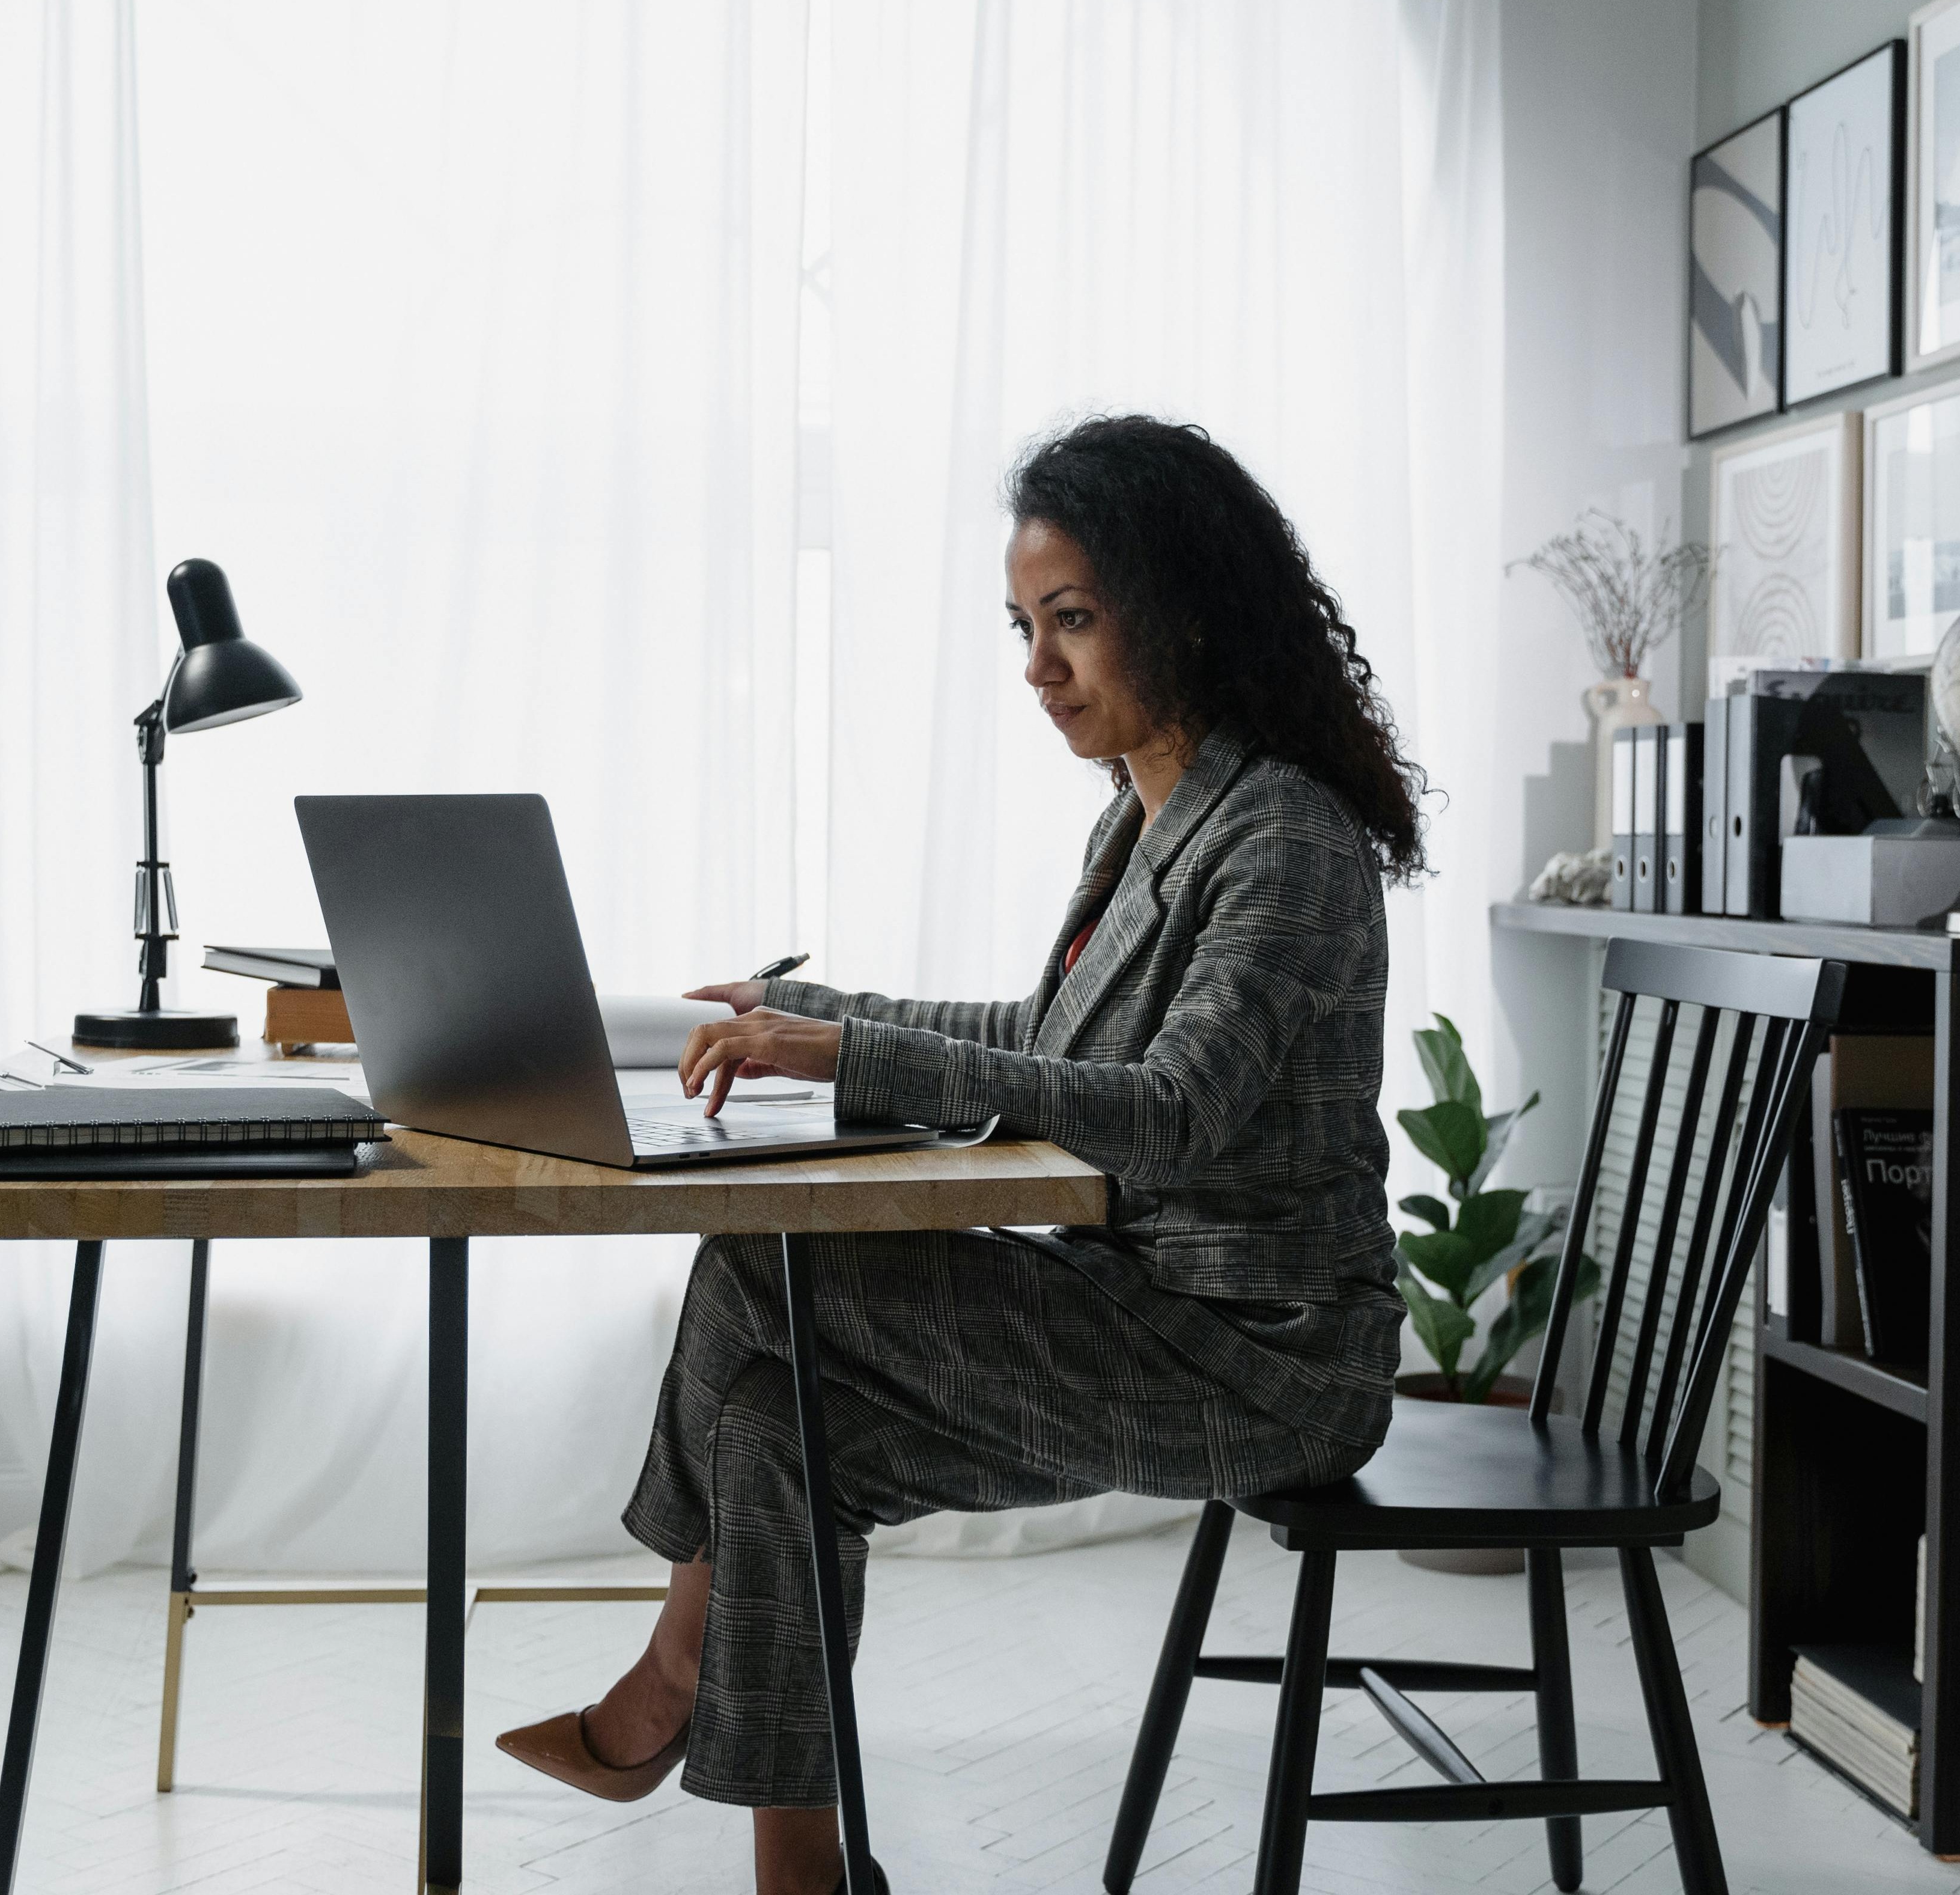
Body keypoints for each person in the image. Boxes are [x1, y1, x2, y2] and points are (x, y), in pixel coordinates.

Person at [494, 415, 1427, 1894]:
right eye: (1024, 626)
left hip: (1264, 1365)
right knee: (776, 1428)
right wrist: (819, 1010)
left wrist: (851, 1059)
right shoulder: (1147, 818)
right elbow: (1056, 1033)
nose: (1038, 666)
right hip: (1144, 1310)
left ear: (1182, 609)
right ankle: (801, 1865)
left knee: (760, 1261)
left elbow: (1172, 1107)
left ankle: (665, 1684)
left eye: (1072, 622)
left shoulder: (1285, 841)